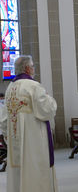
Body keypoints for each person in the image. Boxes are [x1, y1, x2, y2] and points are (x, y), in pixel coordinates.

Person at [0, 55, 58, 192]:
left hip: (15, 143)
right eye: (32, 66)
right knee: (35, 172)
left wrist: (7, 136)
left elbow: (3, 120)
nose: (33, 69)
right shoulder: (33, 86)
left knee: (18, 172)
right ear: (27, 68)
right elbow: (46, 110)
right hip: (34, 141)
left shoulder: (10, 89)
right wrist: (49, 98)